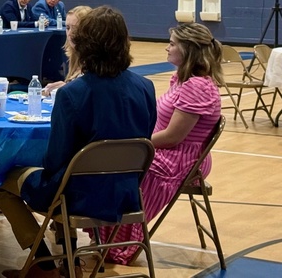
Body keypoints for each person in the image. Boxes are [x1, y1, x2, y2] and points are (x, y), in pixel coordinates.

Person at [0, 7, 156, 278]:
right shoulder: (145, 87)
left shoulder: (72, 94)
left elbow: (56, 160)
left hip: (78, 196)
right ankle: (69, 261)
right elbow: (144, 142)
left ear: (83, 44)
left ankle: (43, 263)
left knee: (0, 179)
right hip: (128, 193)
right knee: (66, 176)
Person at [96, 22, 223, 264]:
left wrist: (132, 143)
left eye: (172, 44)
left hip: (181, 158)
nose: (167, 47)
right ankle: (106, 232)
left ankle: (120, 240)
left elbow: (173, 137)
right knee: (113, 161)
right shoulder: (183, 79)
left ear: (187, 50)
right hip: (171, 150)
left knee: (119, 166)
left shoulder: (196, 86)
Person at [42, 6, 93, 95]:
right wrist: (65, 85)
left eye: (75, 28)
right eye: (68, 28)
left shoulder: (95, 61)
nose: (70, 34)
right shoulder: (75, 57)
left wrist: (68, 88)